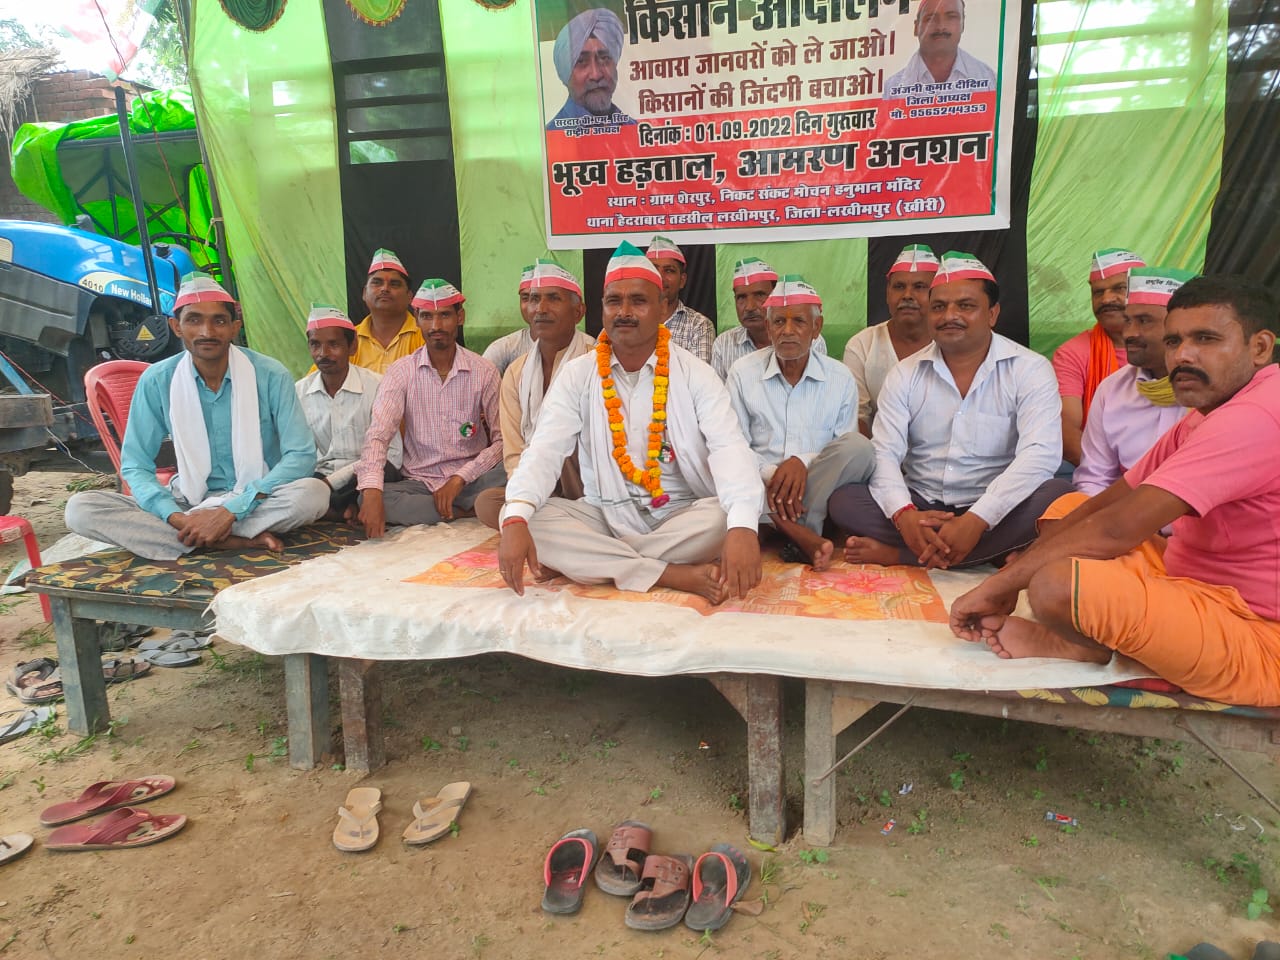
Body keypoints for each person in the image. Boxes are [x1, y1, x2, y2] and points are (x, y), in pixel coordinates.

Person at [950, 276, 1280, 708]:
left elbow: (1117, 529)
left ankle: (1091, 647)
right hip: (1186, 578)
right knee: (1069, 507)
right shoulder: (1211, 408)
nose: (1183, 355)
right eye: (1175, 341)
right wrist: (1020, 571)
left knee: (1056, 585)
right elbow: (1114, 497)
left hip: (1256, 632)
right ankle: (1099, 640)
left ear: (1260, 347)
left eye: (1206, 339)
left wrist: (1001, 585)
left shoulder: (1255, 415)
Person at [497, 241, 764, 605]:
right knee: (522, 516)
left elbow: (728, 446)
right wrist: (517, 520)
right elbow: (545, 448)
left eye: (638, 301)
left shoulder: (696, 374)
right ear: (602, 308)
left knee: (724, 518)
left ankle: (600, 560)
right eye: (614, 301)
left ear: (662, 307)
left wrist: (744, 527)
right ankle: (667, 572)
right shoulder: (579, 374)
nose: (624, 312)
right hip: (603, 513)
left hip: (679, 513)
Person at [828, 252, 1071, 568]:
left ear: (992, 313)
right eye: (939, 307)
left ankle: (904, 555)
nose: (949, 316)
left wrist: (977, 519)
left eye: (966, 306)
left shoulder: (1030, 369)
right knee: (844, 501)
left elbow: (1040, 454)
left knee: (1058, 496)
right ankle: (986, 551)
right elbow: (885, 452)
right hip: (922, 503)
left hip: (995, 506)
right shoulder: (904, 374)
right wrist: (904, 516)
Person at [65, 275, 328, 560]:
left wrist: (231, 511)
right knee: (81, 508)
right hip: (188, 500)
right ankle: (225, 540)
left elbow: (300, 456)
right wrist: (176, 516)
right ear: (176, 326)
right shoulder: (157, 380)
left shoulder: (270, 374)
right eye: (194, 320)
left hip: (256, 500)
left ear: (235, 327)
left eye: (219, 321)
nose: (207, 331)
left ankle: (195, 537)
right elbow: (135, 465)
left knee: (313, 494)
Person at [726, 276, 874, 571]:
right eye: (779, 322)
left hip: (816, 485)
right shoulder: (742, 373)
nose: (788, 331)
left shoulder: (840, 377)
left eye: (799, 322)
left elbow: (843, 450)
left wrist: (800, 462)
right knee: (723, 466)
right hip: (763, 483)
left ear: (817, 328)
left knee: (860, 448)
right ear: (768, 327)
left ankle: (786, 525)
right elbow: (733, 444)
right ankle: (801, 532)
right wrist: (773, 474)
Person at [356, 279, 505, 536]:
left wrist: (460, 478)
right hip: (420, 483)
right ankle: (464, 510)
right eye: (427, 316)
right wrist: (371, 493)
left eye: (444, 315)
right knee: (369, 496)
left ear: (460, 317)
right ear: (416, 319)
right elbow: (379, 435)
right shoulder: (401, 372)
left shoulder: (484, 371)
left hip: (473, 479)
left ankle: (449, 507)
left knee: (516, 468)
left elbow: (503, 440)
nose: (436, 326)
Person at [475, 262, 595, 528]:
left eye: (553, 298)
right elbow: (514, 452)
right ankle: (561, 522)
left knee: (557, 444)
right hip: (539, 486)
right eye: (533, 299)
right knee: (486, 503)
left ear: (578, 312)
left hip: (588, 483)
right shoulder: (516, 372)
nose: (540, 308)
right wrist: (523, 499)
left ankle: (562, 522)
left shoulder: (596, 362)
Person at [1074, 266, 1195, 495]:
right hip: (1123, 512)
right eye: (1128, 320)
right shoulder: (1112, 390)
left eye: (1144, 321)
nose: (1129, 333)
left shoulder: (1215, 393)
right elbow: (1094, 478)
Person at [295, 304, 403, 520]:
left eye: (333, 344)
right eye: (315, 345)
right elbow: (299, 453)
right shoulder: (299, 392)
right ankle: (344, 508)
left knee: (379, 482)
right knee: (296, 490)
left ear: (352, 346)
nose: (323, 354)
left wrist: (331, 483)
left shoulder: (378, 386)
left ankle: (335, 508)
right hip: (322, 475)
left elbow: (393, 455)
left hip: (369, 472)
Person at [1052, 248, 1146, 465]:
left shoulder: (1172, 348)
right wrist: (1107, 477)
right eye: (1098, 292)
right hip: (1099, 466)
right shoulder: (1072, 353)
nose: (1106, 299)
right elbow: (1066, 429)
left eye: (1119, 288)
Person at [842, 243, 938, 435]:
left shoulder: (953, 343)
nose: (907, 295)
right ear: (888, 293)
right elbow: (856, 418)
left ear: (938, 294)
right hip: (878, 447)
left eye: (919, 287)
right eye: (899, 287)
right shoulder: (862, 345)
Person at [711, 257, 826, 380]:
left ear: (776, 297)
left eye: (759, 295)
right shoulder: (724, 344)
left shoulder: (812, 341)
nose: (749, 307)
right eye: (741, 297)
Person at [884, 0, 995, 98]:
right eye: (931, 18)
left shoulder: (987, 78)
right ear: (916, 27)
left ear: (962, 24)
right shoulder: (893, 87)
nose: (941, 27)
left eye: (951, 17)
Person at [547, 8, 635, 130]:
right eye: (581, 62)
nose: (596, 75)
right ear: (565, 72)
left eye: (604, 58)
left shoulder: (636, 129)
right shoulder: (551, 135)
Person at [352, 248, 425, 375]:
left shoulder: (426, 336)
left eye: (394, 284)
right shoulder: (348, 339)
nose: (385, 289)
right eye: (377, 283)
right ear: (364, 293)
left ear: (410, 296)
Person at [647, 235, 715, 365]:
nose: (660, 276)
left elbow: (699, 376)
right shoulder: (630, 320)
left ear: (682, 280)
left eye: (669, 270)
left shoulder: (699, 325)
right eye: (653, 269)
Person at [482, 263, 537, 377]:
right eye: (526, 298)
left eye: (537, 298)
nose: (536, 307)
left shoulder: (578, 350)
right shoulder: (502, 349)